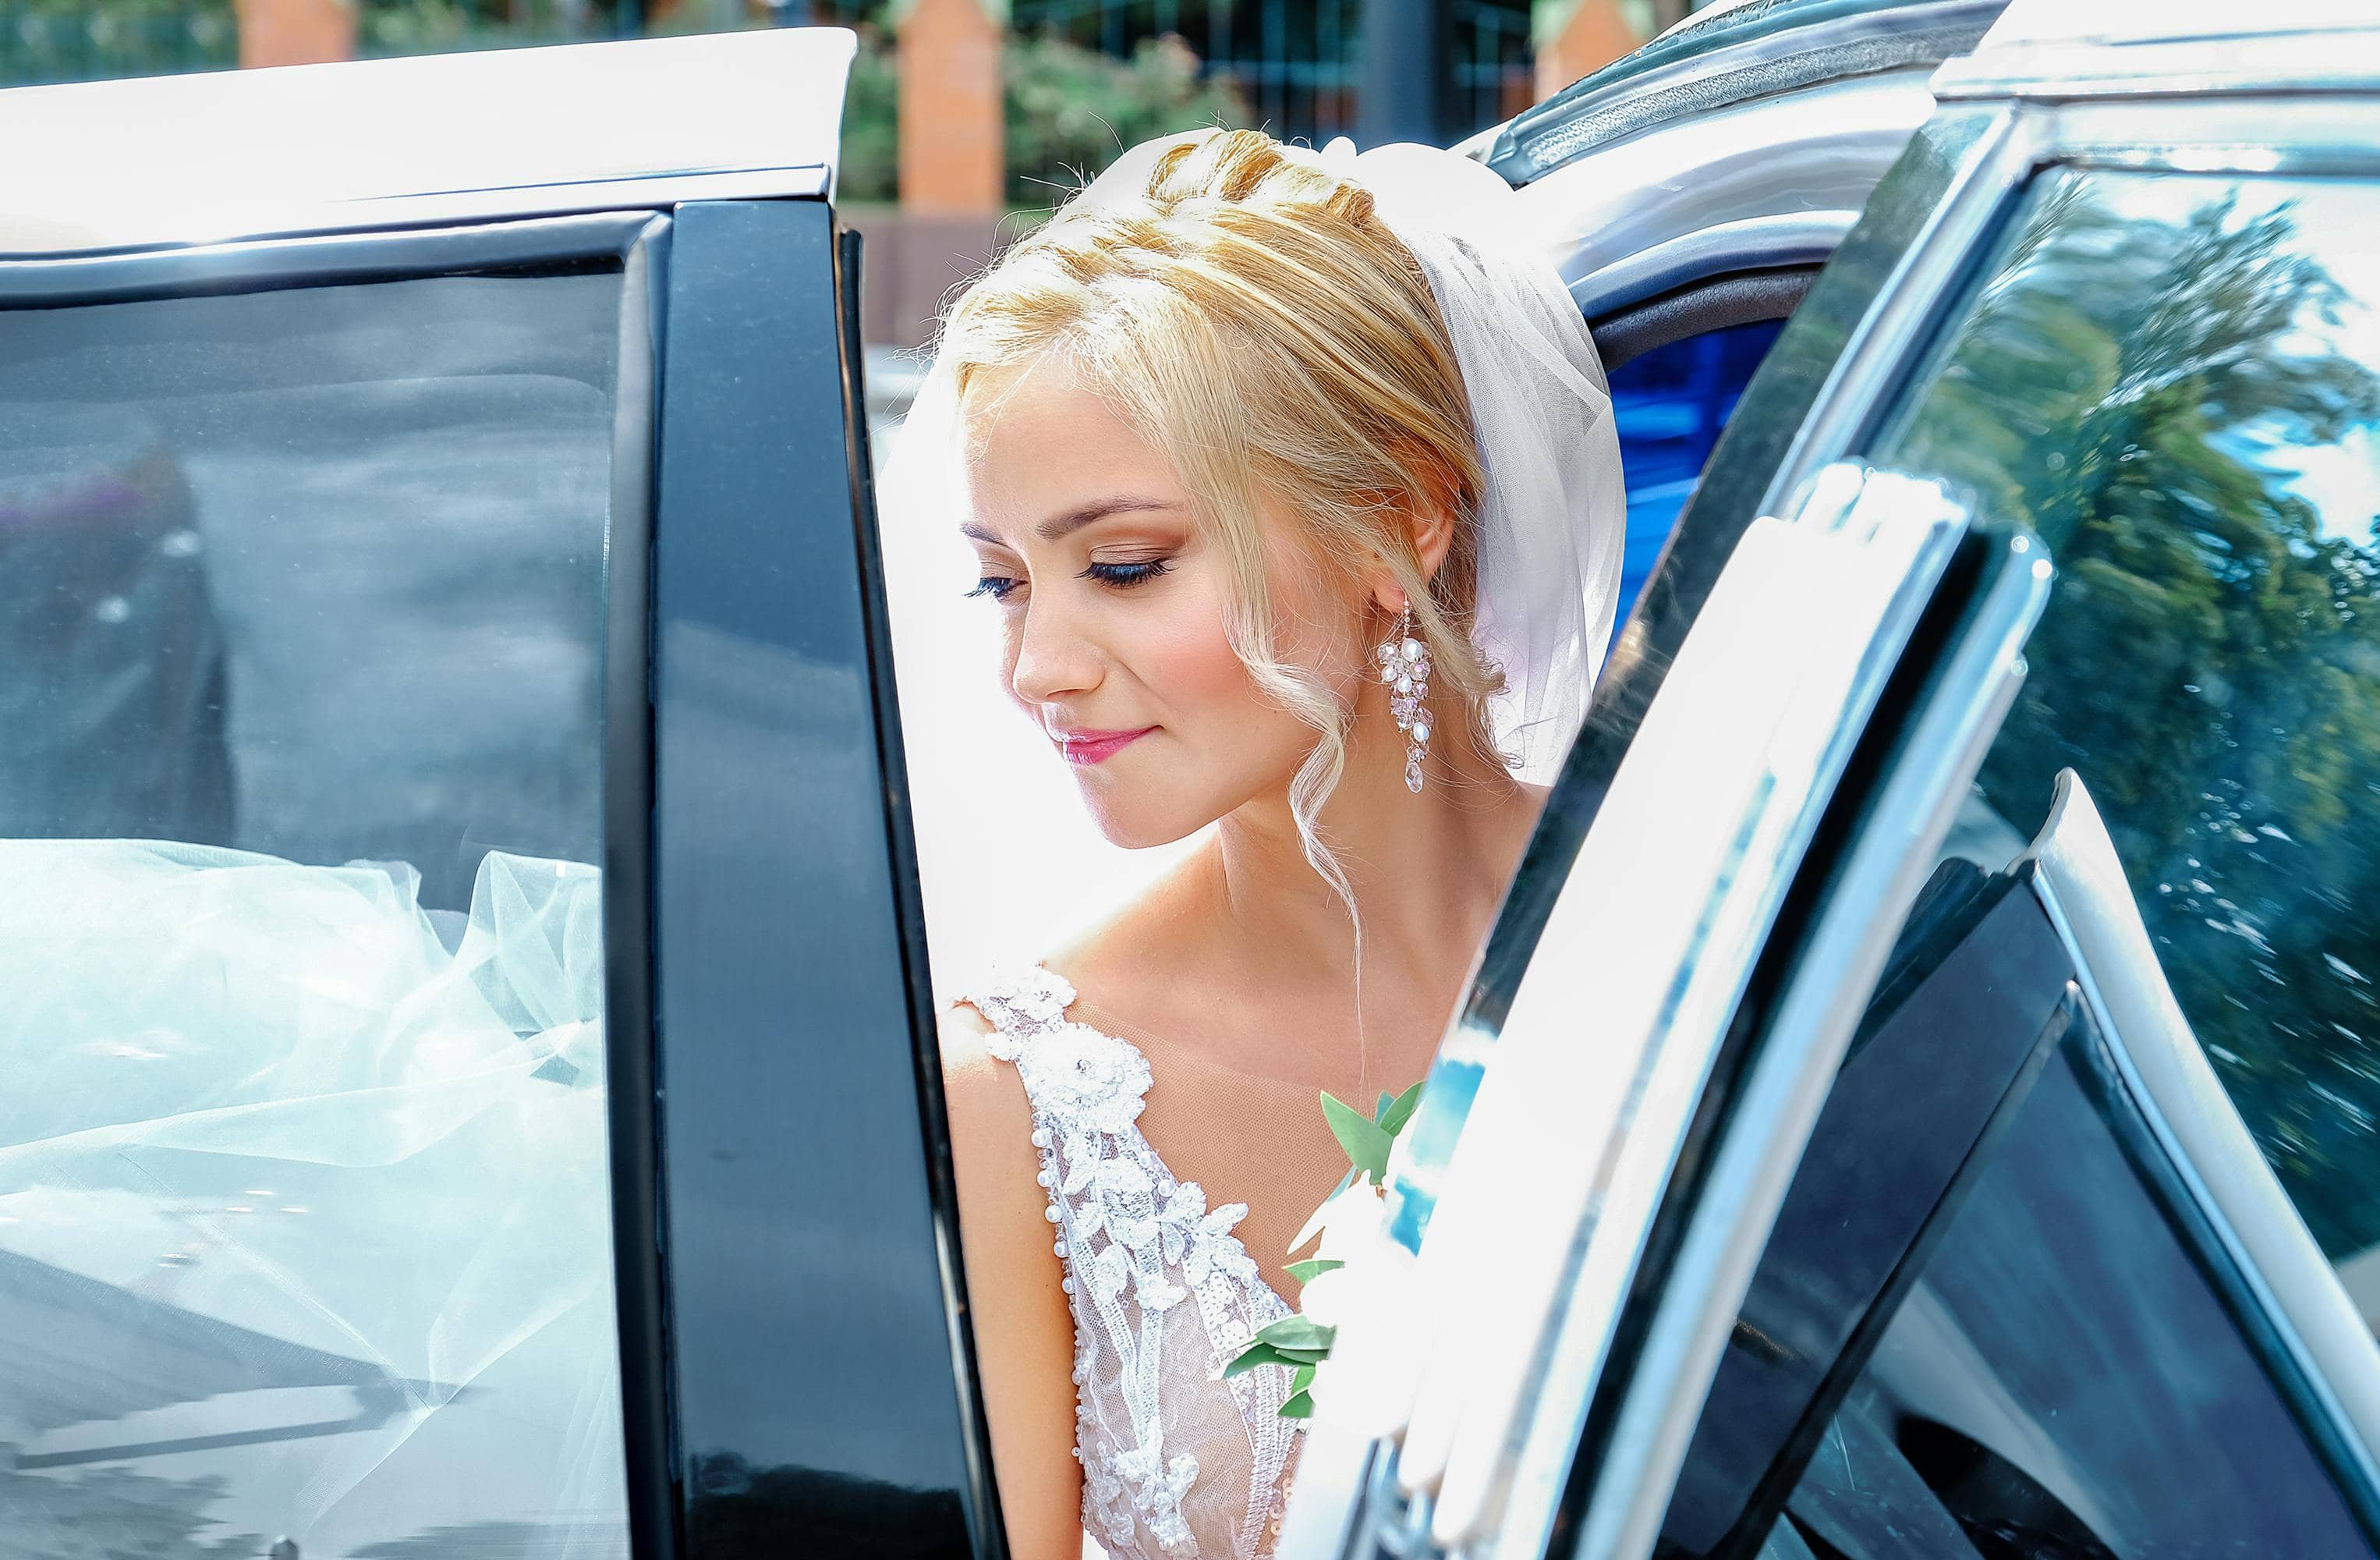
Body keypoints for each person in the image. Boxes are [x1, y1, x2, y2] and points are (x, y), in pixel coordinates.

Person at [886, 126, 1623, 1560]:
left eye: (1124, 567)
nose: (1038, 668)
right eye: (1002, 583)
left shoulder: (1709, 920)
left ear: (1396, 524)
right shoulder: (1020, 1101)